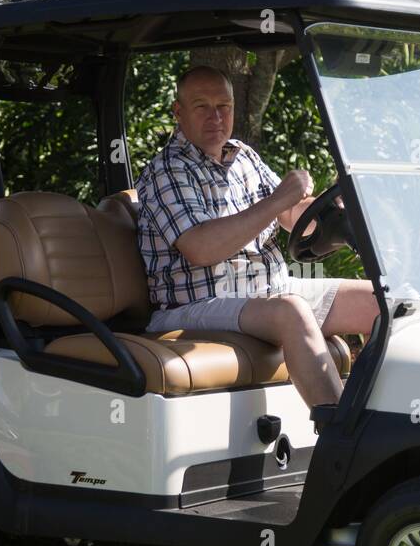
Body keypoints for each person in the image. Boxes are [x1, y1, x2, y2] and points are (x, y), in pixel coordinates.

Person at [134, 65, 380, 407]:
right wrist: (279, 198)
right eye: (202, 106)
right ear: (178, 112)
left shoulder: (243, 156)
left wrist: (328, 210)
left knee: (381, 299)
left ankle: (375, 415)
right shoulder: (166, 170)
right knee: (289, 311)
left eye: (224, 107)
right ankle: (341, 439)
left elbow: (292, 217)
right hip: (193, 303)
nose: (216, 117)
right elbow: (201, 247)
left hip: (267, 291)